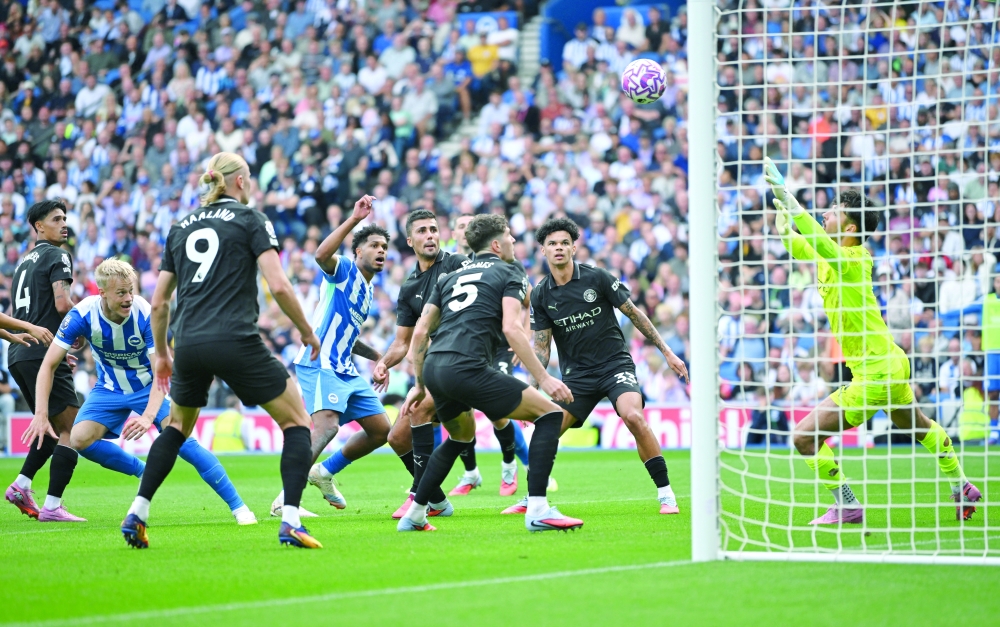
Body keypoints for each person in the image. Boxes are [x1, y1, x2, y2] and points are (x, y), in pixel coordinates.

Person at [120, 152, 323, 549]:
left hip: (189, 343)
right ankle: (293, 521)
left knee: (176, 428)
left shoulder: (179, 227)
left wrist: (162, 352)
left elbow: (159, 302)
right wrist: (306, 331)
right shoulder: (252, 219)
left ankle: (138, 512)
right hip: (235, 338)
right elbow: (279, 286)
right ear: (242, 181)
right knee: (298, 423)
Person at [764, 156, 981, 523]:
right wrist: (784, 221)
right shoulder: (830, 256)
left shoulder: (852, 258)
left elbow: (819, 241)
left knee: (803, 437)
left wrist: (792, 201)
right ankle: (960, 483)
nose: (825, 215)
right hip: (891, 362)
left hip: (875, 374)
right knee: (917, 426)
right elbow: (802, 245)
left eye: (832, 212)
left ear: (848, 227)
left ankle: (846, 504)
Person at [32, 259, 255, 524]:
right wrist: (40, 414)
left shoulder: (147, 315)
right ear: (102, 293)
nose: (128, 298)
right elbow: (48, 365)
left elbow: (161, 370)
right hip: (109, 388)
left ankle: (240, 508)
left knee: (181, 438)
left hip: (149, 385)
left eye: (131, 291)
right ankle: (144, 471)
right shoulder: (81, 316)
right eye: (121, 293)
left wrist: (148, 417)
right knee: (79, 439)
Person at [397, 214, 581, 533]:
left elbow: (420, 332)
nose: (513, 241)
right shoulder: (509, 270)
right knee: (551, 415)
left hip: (436, 367)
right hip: (467, 366)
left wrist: (418, 384)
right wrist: (546, 378)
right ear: (496, 244)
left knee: (460, 436)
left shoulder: (449, 277)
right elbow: (511, 327)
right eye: (509, 236)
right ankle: (538, 508)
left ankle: (415, 514)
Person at [504, 218, 688, 517]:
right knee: (547, 426)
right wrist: (534, 390)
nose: (559, 248)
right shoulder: (540, 294)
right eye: (552, 243)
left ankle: (666, 495)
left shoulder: (597, 277)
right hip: (577, 377)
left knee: (633, 416)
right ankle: (532, 496)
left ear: (574, 247)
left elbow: (635, 314)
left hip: (615, 365)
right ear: (543, 250)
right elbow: (541, 346)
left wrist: (666, 351)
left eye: (564, 242)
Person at [271, 195, 410, 513]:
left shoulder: (369, 288)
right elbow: (321, 254)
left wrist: (376, 356)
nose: (381, 252)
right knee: (327, 427)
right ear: (358, 250)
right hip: (319, 362)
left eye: (384, 248)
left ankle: (324, 472)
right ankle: (284, 500)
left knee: (380, 430)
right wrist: (354, 220)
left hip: (344, 367)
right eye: (374, 246)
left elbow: (348, 335)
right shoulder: (344, 270)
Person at [371, 210, 469, 519]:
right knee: (396, 438)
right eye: (423, 231)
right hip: (436, 366)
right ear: (411, 241)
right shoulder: (409, 286)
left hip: (464, 359)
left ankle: (419, 498)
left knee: (419, 410)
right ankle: (438, 501)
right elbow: (402, 342)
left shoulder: (456, 265)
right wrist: (383, 363)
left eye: (434, 229)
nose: (430, 235)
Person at [451, 212, 539, 496]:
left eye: (469, 225)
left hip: (499, 344)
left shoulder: (506, 264)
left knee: (496, 409)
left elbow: (530, 299)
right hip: (465, 347)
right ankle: (470, 473)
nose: (465, 230)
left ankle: (512, 466)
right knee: (459, 412)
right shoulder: (451, 265)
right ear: (455, 234)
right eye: (461, 226)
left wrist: (524, 331)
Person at [5, 200, 80, 521]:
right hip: (41, 350)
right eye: (56, 219)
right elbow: (62, 304)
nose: (64, 224)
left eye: (65, 218)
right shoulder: (58, 255)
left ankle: (22, 484)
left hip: (20, 353)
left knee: (50, 426)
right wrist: (87, 321)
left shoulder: (23, 263)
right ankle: (52, 506)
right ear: (39, 227)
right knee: (72, 429)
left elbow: (19, 313)